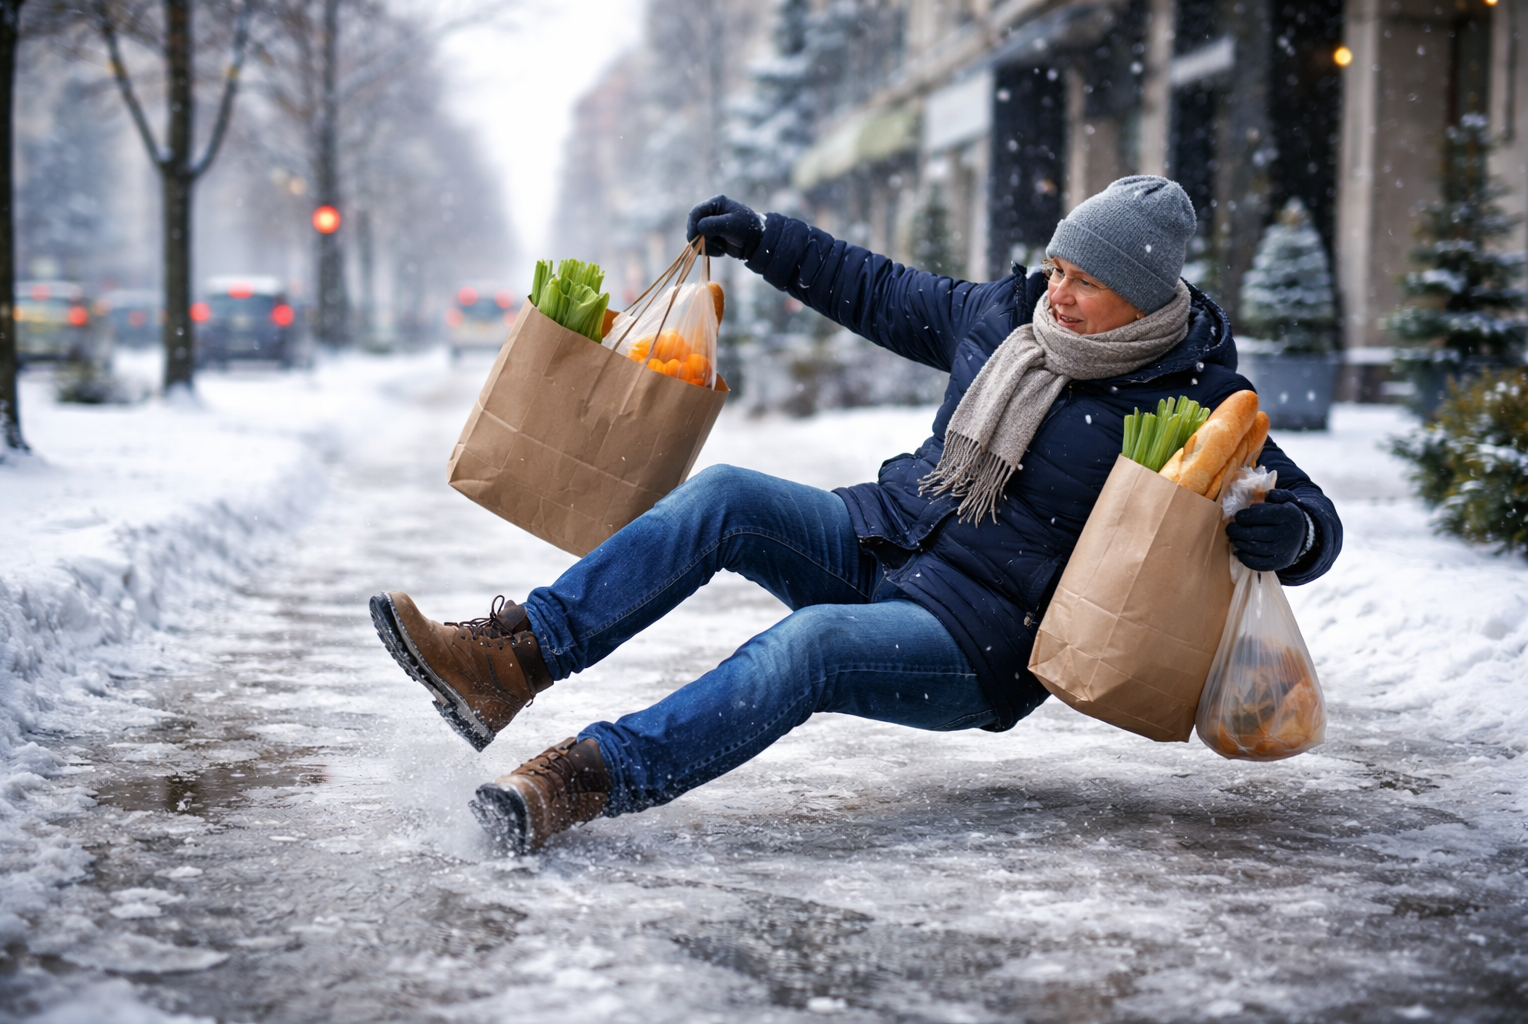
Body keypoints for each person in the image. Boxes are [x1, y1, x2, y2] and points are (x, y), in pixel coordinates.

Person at [369, 176, 1343, 854]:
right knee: (727, 495)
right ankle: (510, 661)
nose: (1059, 292)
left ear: (1143, 296)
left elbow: (1303, 507)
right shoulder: (1007, 317)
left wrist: (1291, 532)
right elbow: (880, 291)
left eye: (1084, 281)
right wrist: (768, 240)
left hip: (980, 637)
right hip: (884, 533)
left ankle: (579, 780)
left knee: (814, 645)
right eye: (1056, 268)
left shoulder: (1196, 392)